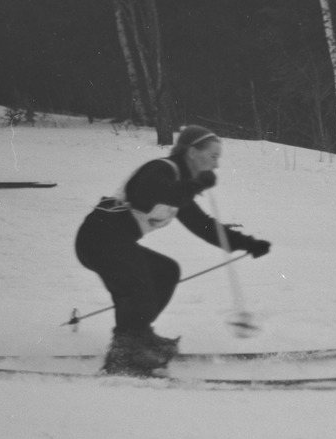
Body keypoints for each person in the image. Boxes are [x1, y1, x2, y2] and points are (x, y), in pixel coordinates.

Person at [75, 125, 271, 377]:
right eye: (213, 156)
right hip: (99, 240)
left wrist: (248, 243)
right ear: (191, 152)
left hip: (111, 244)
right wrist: (195, 184)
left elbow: (204, 227)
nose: (216, 164)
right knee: (139, 284)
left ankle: (137, 338)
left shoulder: (180, 183)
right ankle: (125, 354)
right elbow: (156, 191)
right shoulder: (161, 169)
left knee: (165, 272)